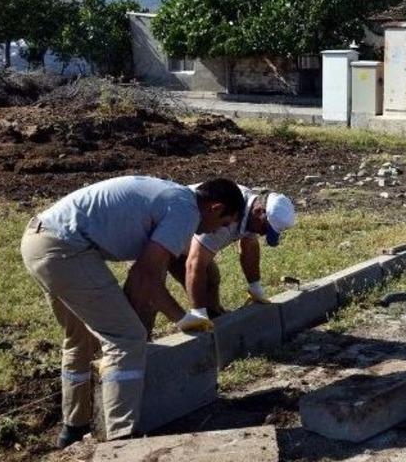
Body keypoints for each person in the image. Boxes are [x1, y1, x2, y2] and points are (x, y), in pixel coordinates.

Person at [20, 176, 245, 447]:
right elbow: (145, 276)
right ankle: (121, 442)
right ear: (215, 208)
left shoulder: (173, 196)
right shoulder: (186, 210)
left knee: (81, 339)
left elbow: (147, 275)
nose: (218, 231)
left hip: (38, 240)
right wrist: (182, 318)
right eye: (224, 223)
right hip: (65, 249)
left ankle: (73, 430)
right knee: (126, 337)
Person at [138, 185, 296, 333]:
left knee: (211, 279)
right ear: (258, 212)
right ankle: (141, 343)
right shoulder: (222, 217)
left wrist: (255, 287)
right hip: (154, 234)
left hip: (182, 240)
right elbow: (195, 265)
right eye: (264, 228)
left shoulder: (249, 211)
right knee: (149, 293)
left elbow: (249, 246)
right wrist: (198, 313)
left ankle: (215, 324)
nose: (263, 234)